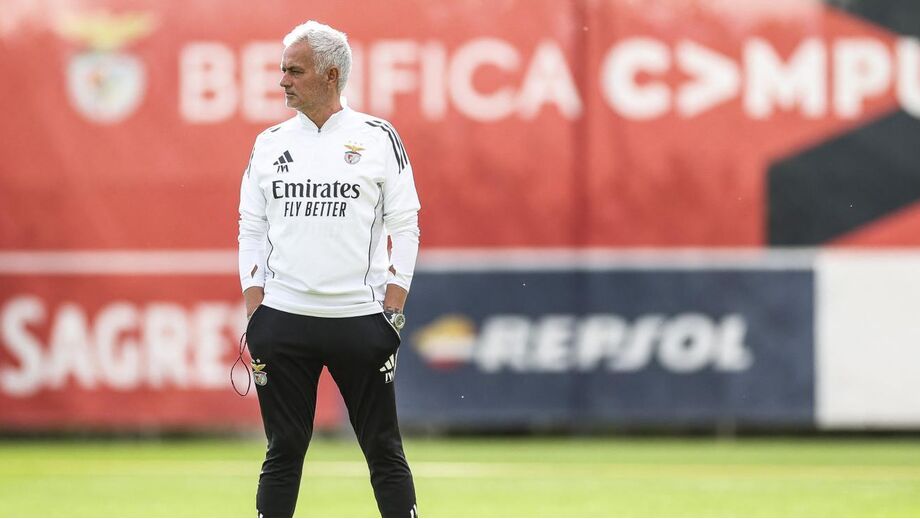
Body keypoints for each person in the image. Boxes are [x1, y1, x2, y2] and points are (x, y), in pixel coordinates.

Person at [237, 20, 420, 518]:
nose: (282, 81)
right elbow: (249, 229)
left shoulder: (378, 137)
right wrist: (257, 311)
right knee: (283, 449)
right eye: (282, 71)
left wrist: (393, 310)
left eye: (294, 71)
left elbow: (405, 226)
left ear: (331, 73)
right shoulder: (269, 142)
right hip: (284, 318)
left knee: (383, 448)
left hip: (359, 318)